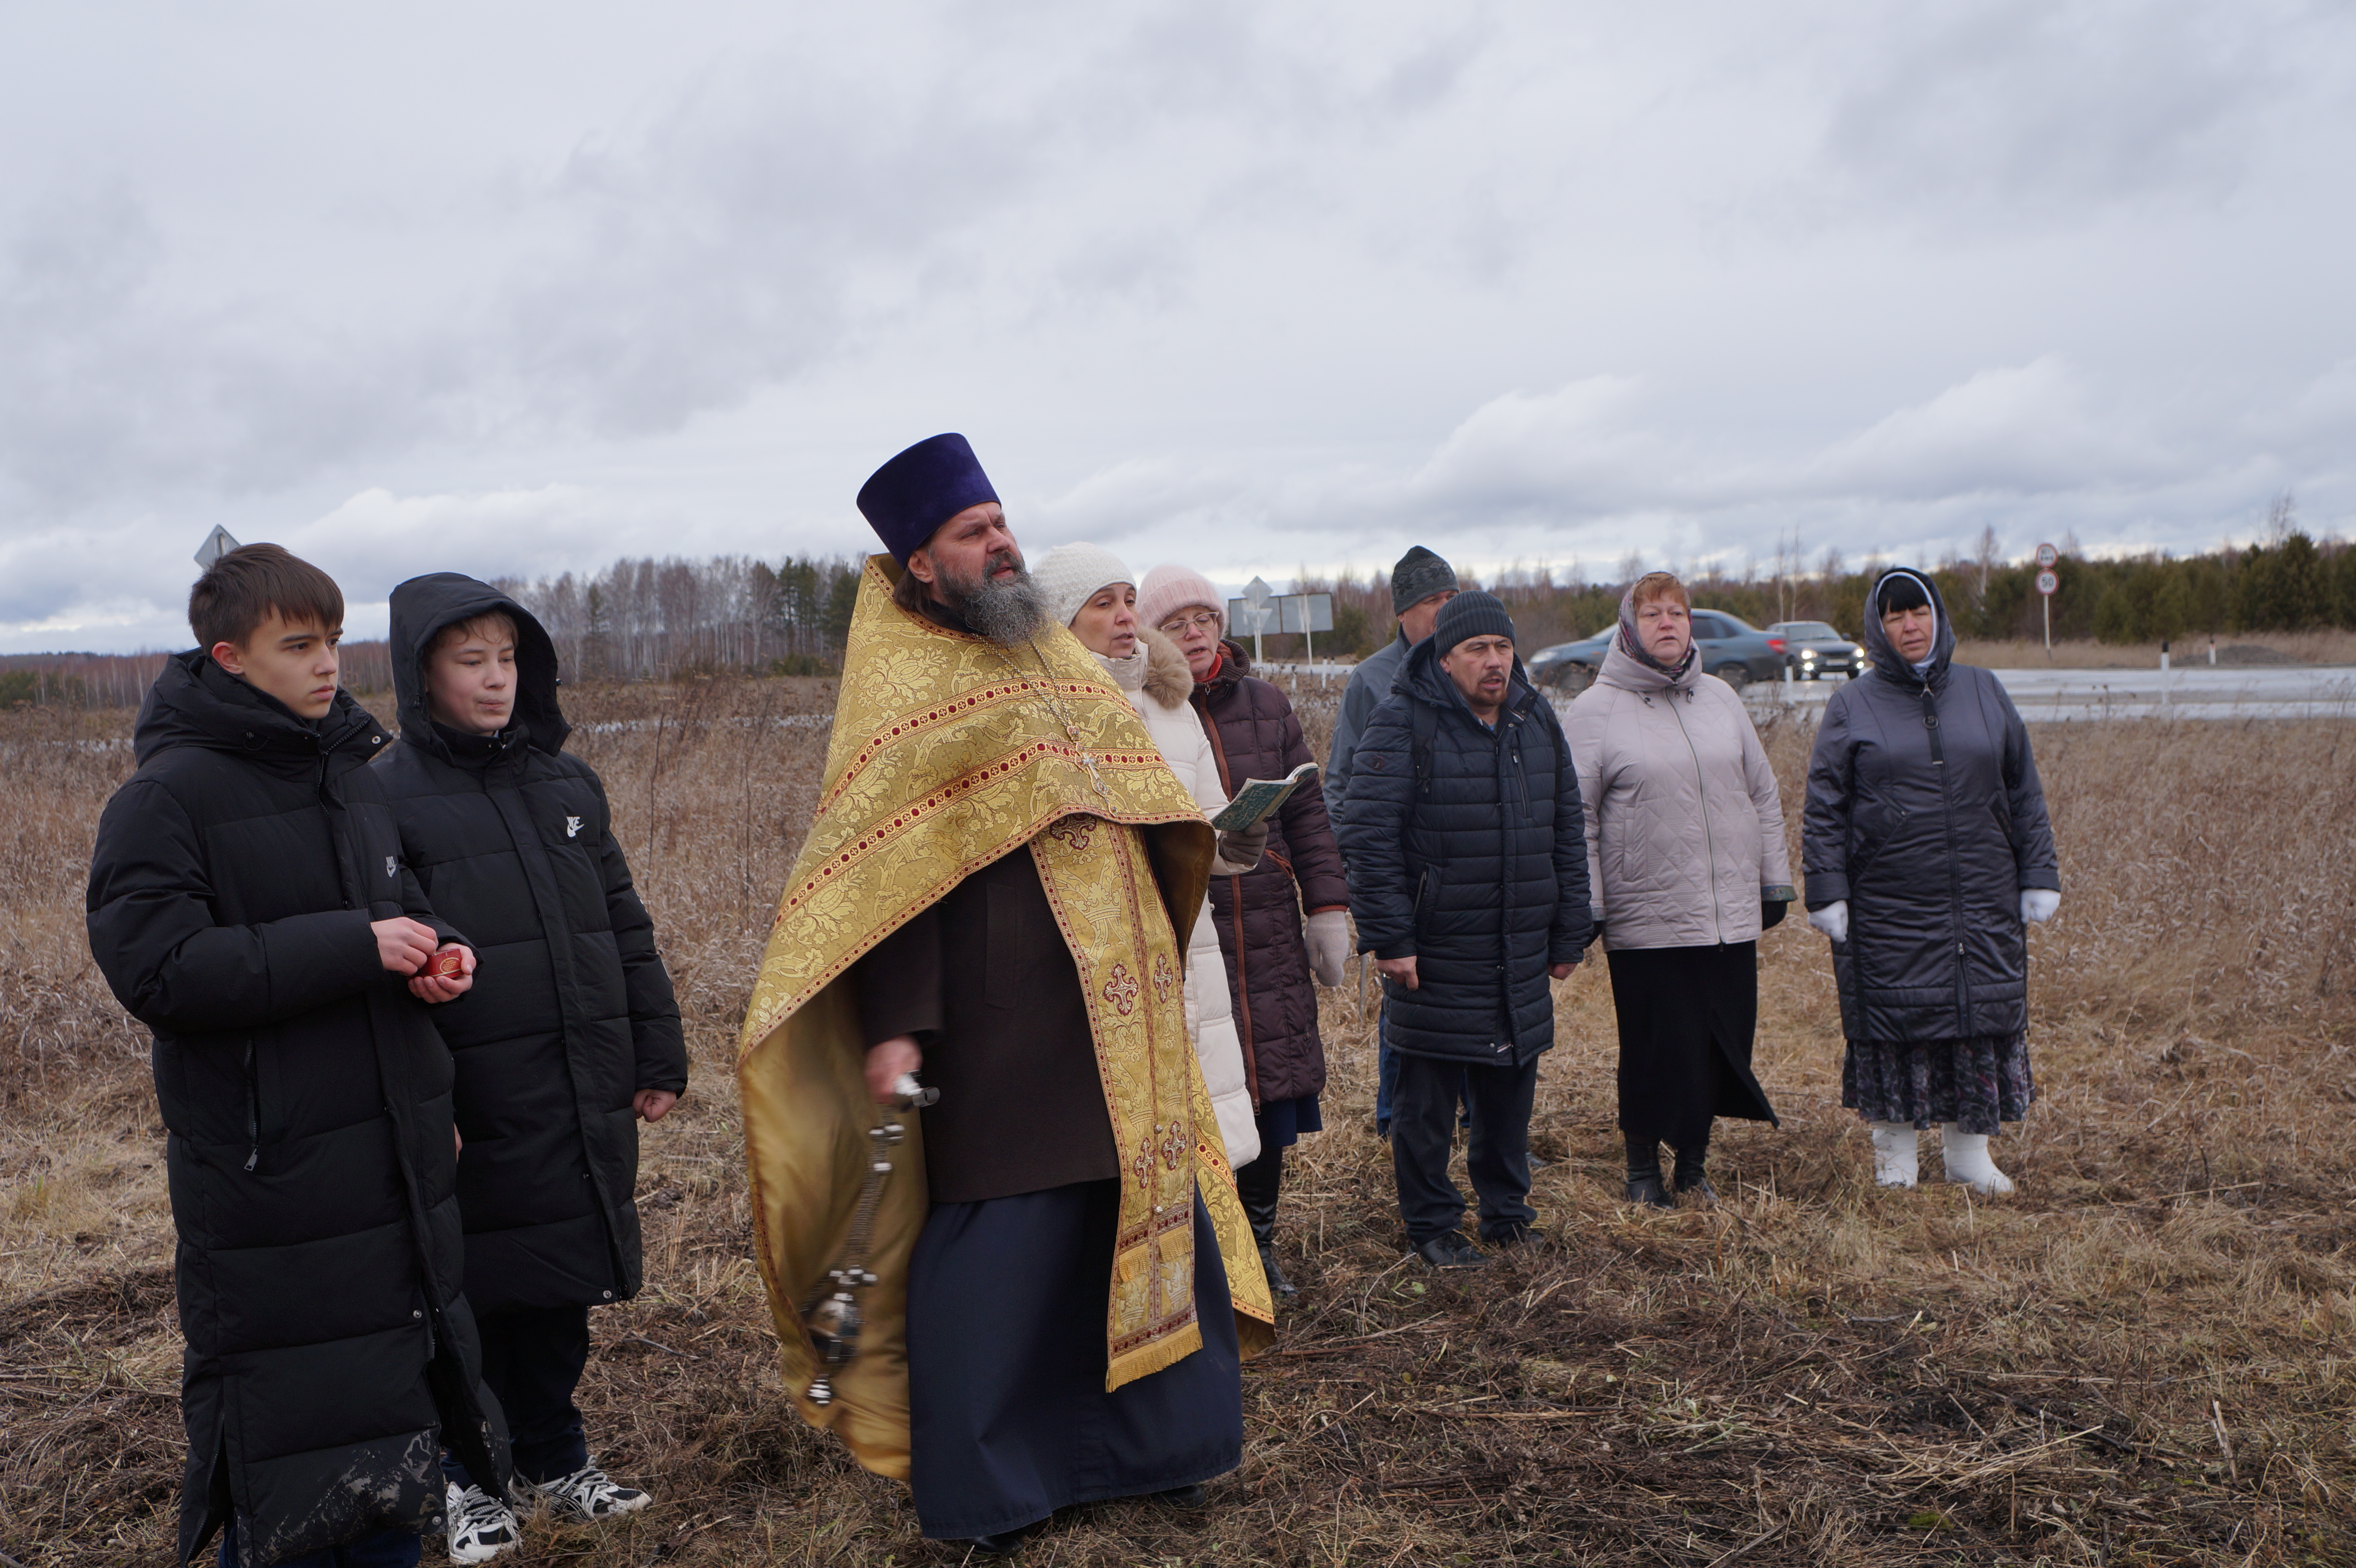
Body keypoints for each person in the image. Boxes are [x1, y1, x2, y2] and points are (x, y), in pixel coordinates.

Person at [733, 434, 1273, 1557]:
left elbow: (1134, 792)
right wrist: (898, 1028)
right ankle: (997, 1486)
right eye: (973, 533)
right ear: (921, 564)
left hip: (1115, 1003)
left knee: (1139, 1211)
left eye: (1000, 522)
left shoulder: (1057, 659)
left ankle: (1161, 1452)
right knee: (1003, 1249)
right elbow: (886, 873)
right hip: (997, 1017)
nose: (1002, 542)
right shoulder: (902, 684)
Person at [85, 545, 509, 1568]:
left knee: (394, 1416)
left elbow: (394, 910)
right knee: (291, 1442)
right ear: (229, 656)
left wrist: (434, 953)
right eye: (299, 644)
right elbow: (160, 969)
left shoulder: (350, 780)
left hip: (391, 1151)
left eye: (332, 638)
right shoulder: (166, 798)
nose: (329, 663)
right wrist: (355, 945)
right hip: (271, 1170)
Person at [374, 574, 689, 1561]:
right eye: (471, 660)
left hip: (576, 1081)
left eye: (508, 658)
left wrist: (656, 1045)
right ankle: (463, 1476)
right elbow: (390, 959)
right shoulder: (380, 796)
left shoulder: (567, 785)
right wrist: (424, 1095)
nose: (496, 679)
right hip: (469, 1096)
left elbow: (623, 927)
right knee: (462, 1290)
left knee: (557, 1280)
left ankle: (554, 1456)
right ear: (420, 671)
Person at [1336, 591, 1591, 1268]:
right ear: (1444, 659)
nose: (1494, 662)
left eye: (1503, 648)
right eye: (1477, 649)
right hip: (1436, 949)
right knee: (1426, 1102)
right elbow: (1368, 836)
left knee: (1510, 1091)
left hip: (1517, 945)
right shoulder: (1404, 722)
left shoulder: (1536, 722)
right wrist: (1392, 938)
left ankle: (1508, 1215)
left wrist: (1570, 932)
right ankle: (1433, 1226)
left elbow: (1568, 828)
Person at [1801, 569, 2060, 1194]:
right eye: (1894, 617)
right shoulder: (1852, 704)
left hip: (1983, 895)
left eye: (1918, 612)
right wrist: (1827, 888)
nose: (1909, 626)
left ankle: (1969, 1156)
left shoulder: (1983, 690)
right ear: (1878, 627)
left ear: (1938, 617)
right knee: (1895, 1026)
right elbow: (1824, 803)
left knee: (1975, 1020)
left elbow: (2022, 788)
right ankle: (1896, 1160)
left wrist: (2039, 872)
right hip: (1889, 901)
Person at [1140, 562, 1350, 1300]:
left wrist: (1326, 907)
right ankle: (1207, 1253)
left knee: (1268, 1095)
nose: (1194, 633)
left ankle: (1259, 1248)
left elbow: (1309, 817)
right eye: (1175, 624)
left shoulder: (1265, 703)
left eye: (1204, 619)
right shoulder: (1142, 708)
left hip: (1264, 927)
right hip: (1192, 935)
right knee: (1209, 1096)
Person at [1562, 572, 1794, 1210]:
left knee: (1723, 1042)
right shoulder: (1595, 710)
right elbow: (1574, 818)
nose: (1668, 623)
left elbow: (1763, 793)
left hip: (1727, 914)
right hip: (1648, 916)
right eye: (1653, 613)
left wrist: (1774, 879)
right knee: (1655, 1045)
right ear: (1629, 626)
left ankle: (1693, 1166)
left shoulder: (1720, 699)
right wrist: (1590, 904)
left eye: (1679, 613)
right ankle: (1643, 1168)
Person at [1035, 543, 1264, 1173]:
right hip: (1103, 951)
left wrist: (1234, 842)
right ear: (1063, 621)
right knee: (1123, 1135)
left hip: (1189, 938)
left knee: (1203, 1130)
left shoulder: (1173, 704)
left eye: (1130, 600)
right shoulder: (1045, 714)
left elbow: (1207, 821)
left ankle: (1217, 1263)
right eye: (1103, 604)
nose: (1125, 617)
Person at [1326, 546, 1461, 1137]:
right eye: (1433, 601)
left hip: (1471, 873)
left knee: (1478, 1006)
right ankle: (1396, 1120)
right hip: (1402, 879)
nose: (1444, 610)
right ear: (1404, 611)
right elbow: (1342, 782)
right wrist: (1356, 875)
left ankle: (1479, 1122)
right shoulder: (1372, 680)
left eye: (1451, 599)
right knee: (1407, 1007)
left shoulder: (1480, 664)